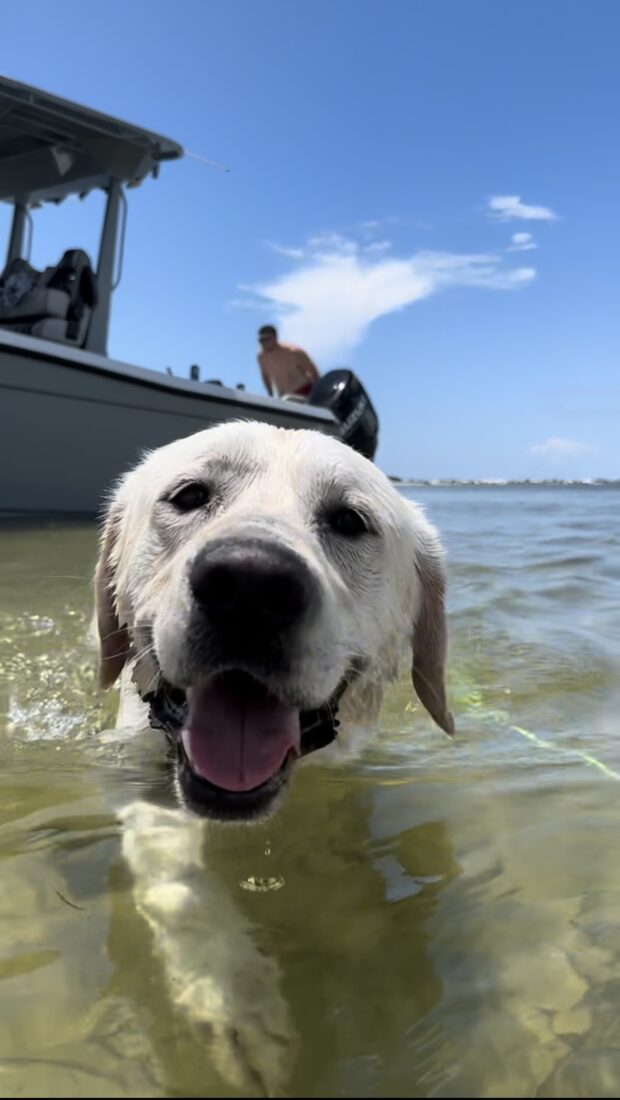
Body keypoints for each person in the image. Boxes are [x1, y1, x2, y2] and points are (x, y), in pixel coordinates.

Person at [257, 324, 320, 398]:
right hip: (285, 397)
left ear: (275, 338)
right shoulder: (261, 357)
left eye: (266, 340)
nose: (263, 343)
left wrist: (319, 393)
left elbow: (313, 372)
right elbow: (266, 377)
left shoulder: (293, 352)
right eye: (260, 340)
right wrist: (270, 395)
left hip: (305, 391)